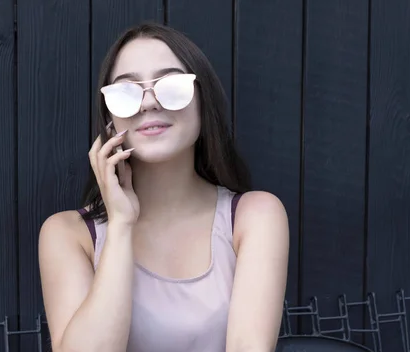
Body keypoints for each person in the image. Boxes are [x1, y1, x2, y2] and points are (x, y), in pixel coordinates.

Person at [38, 22, 290, 352]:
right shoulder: (67, 235)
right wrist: (121, 225)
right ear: (110, 117)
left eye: (170, 86)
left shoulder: (254, 217)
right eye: (127, 91)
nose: (148, 103)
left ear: (203, 103)